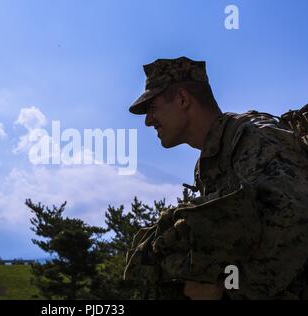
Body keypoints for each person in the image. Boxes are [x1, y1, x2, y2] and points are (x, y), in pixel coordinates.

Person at [125, 56, 308, 299]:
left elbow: (297, 225)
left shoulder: (252, 137)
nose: (148, 120)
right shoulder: (209, 163)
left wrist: (225, 290)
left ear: (182, 99)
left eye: (152, 108)